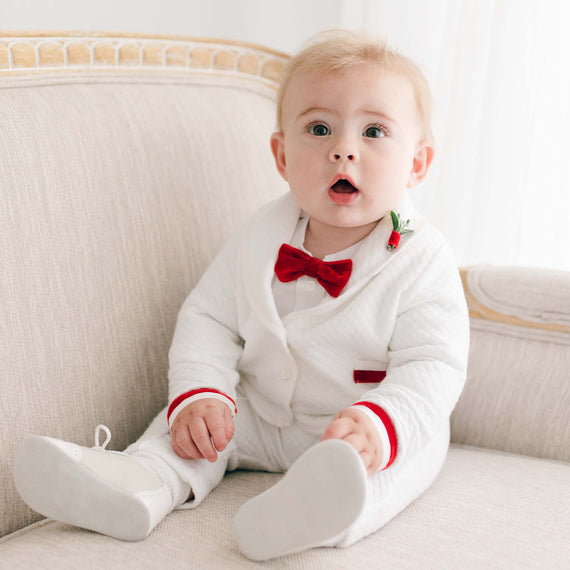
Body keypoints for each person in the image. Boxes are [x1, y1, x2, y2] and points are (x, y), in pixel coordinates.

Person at [14, 29, 470, 561]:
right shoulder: (257, 236)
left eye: (374, 131)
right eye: (319, 128)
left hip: (361, 427)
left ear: (416, 163)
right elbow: (209, 318)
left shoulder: (423, 259)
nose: (343, 148)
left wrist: (380, 423)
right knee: (188, 428)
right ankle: (138, 484)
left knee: (407, 457)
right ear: (281, 155)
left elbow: (434, 364)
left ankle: (314, 514)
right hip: (259, 411)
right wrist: (203, 392)